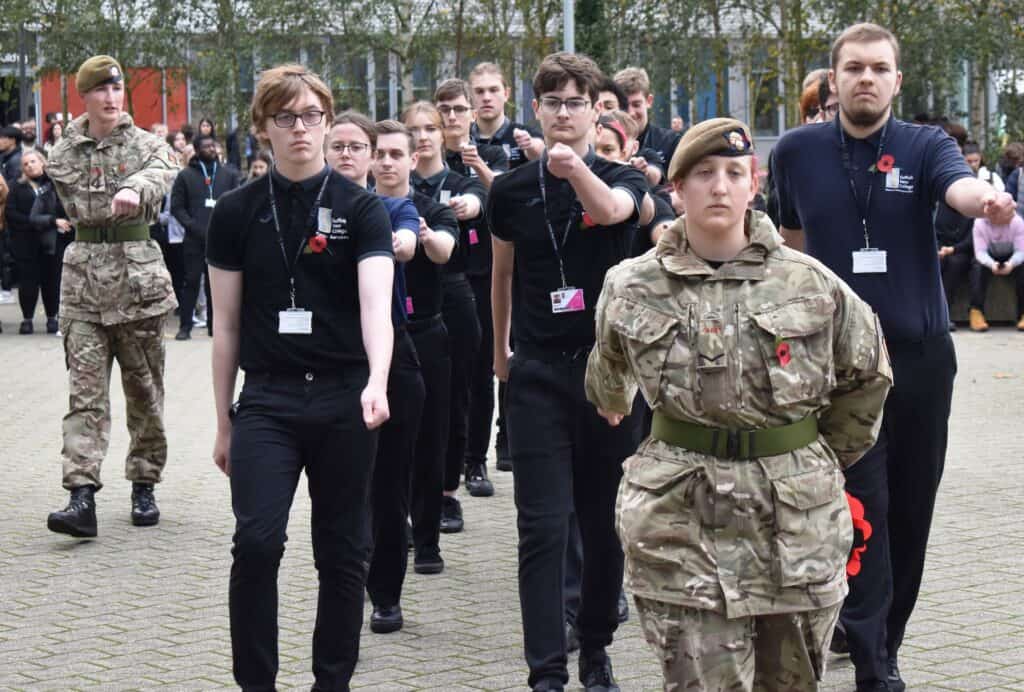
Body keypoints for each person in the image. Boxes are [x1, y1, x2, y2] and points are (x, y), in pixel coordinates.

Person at [586, 115, 891, 692]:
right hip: (679, 523)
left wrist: (814, 459)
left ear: (755, 184)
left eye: (733, 173)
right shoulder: (629, 285)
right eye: (702, 173)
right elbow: (607, 380)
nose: (719, 186)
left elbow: (868, 374)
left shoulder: (812, 284)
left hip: (793, 523)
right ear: (676, 188)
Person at [772, 23, 1017, 691]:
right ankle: (874, 660)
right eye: (854, 68)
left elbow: (958, 189)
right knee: (862, 508)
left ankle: (886, 636)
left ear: (897, 80)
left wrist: (986, 203)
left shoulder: (925, 144)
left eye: (880, 68)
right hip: (837, 367)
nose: (867, 79)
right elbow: (791, 251)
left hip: (919, 357)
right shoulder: (795, 151)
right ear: (834, 77)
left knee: (911, 510)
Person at [206, 63, 394, 690]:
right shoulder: (235, 211)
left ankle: (331, 681)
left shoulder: (361, 208)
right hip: (268, 400)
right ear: (263, 127)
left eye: (312, 116)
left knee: (343, 553)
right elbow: (225, 327)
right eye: (285, 117)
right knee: (257, 542)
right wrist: (222, 421)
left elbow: (376, 305)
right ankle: (256, 681)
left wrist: (378, 379)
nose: (301, 130)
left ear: (328, 120)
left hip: (344, 396)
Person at [488, 52, 649, 692]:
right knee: (542, 526)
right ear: (536, 109)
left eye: (575, 102)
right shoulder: (509, 190)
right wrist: (498, 352)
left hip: (607, 378)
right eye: (552, 102)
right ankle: (546, 668)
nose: (562, 112)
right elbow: (501, 273)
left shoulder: (623, 176)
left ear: (595, 110)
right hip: (537, 376)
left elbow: (613, 212)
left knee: (604, 523)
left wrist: (574, 166)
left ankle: (596, 648)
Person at [43, 55, 179, 538]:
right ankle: (81, 495)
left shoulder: (148, 145)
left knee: (144, 391)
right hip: (82, 287)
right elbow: (68, 201)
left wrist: (133, 187)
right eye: (100, 89)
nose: (111, 96)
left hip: (138, 284)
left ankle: (144, 482)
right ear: (85, 95)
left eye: (116, 88)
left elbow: (161, 173)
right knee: (85, 396)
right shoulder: (62, 154)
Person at [325, 110, 424, 634]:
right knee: (345, 487)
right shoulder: (307, 213)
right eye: (336, 145)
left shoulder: (392, 206)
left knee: (389, 486)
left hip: (393, 355)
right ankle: (345, 583)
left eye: (356, 146)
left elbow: (405, 240)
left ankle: (386, 593)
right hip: (330, 361)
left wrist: (391, 242)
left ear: (372, 156)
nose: (346, 154)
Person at [369, 116, 458, 616]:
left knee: (429, 441)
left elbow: (444, 249)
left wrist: (422, 238)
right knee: (383, 458)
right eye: (378, 154)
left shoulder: (423, 207)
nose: (385, 162)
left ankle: (427, 540)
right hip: (373, 340)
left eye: (394, 155)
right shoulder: (356, 208)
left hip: (424, 331)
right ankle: (388, 537)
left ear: (411, 160)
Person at [406, 100, 490, 528]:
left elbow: (476, 201)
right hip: (406, 301)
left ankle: (446, 493)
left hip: (454, 295)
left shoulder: (459, 182)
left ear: (443, 135)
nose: (422, 137)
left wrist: (469, 207)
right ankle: (406, 493)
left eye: (429, 129)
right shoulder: (393, 185)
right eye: (414, 130)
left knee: (455, 397)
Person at [171, 132, 242, 340]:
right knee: (191, 282)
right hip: (194, 238)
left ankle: (214, 327)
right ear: (197, 150)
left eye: (214, 145)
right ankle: (185, 326)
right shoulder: (185, 176)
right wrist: (192, 226)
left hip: (219, 239)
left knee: (216, 286)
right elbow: (177, 207)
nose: (211, 149)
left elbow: (236, 202)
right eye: (206, 146)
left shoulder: (228, 175)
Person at [4, 150, 63, 334]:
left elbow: (63, 209)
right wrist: (32, 222)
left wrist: (52, 221)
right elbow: (11, 214)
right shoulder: (16, 187)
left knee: (51, 281)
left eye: (32, 162)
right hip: (26, 242)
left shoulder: (54, 185)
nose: (29, 166)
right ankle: (27, 319)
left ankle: (52, 318)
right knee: (28, 282)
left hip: (52, 241)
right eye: (25, 164)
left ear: (42, 162)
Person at [468, 62, 545, 169]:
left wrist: (530, 145)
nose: (486, 98)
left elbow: (541, 152)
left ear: (506, 94)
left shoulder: (525, 136)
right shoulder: (462, 139)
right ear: (471, 96)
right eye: (479, 91)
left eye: (493, 90)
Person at [613, 66, 682, 184]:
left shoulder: (671, 142)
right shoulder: (603, 141)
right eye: (624, 106)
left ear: (649, 101)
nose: (630, 113)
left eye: (636, 104)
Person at [969, 212, 1024, 331]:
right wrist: (992, 265)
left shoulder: (1017, 222)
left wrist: (1011, 264)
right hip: (988, 257)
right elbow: (980, 253)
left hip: (1012, 257)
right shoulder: (979, 223)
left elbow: (1021, 251)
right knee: (976, 266)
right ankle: (976, 311)